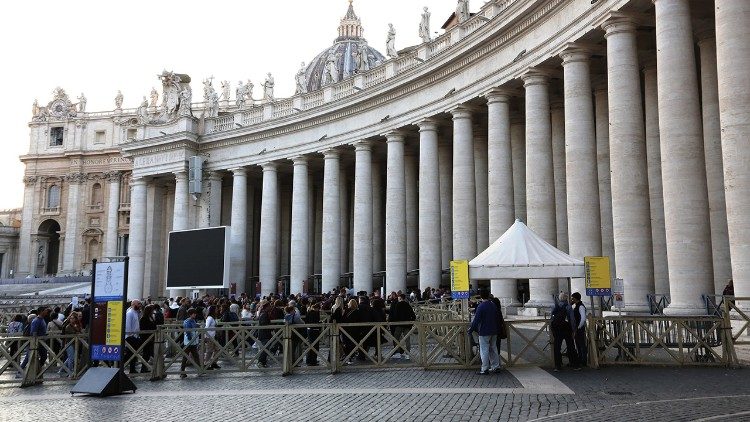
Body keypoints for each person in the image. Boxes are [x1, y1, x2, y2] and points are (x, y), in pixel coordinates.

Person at [468, 290, 500, 375]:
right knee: (494, 348)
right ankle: (496, 366)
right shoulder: (493, 305)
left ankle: (485, 368)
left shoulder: (481, 306)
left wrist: (471, 329)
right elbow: (497, 318)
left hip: (484, 331)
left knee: (484, 350)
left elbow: (476, 320)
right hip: (494, 330)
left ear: (481, 296)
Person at [550, 292, 579, 371]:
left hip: (557, 329)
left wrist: (551, 329)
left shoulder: (555, 306)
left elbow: (551, 318)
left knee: (557, 347)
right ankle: (574, 364)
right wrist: (574, 329)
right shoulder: (568, 307)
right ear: (566, 298)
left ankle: (558, 366)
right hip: (566, 328)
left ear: (559, 298)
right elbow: (572, 319)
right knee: (570, 346)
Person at [389, 293, 416, 359]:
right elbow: (413, 315)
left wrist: (395, 323)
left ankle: (398, 353)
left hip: (399, 325)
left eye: (398, 298)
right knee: (407, 340)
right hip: (407, 325)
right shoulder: (408, 305)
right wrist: (410, 323)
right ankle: (408, 354)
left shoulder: (398, 304)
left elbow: (396, 315)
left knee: (396, 338)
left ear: (400, 298)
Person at [180, 308, 201, 378]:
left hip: (192, 342)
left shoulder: (192, 320)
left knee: (195, 356)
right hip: (189, 342)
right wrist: (190, 338)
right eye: (193, 313)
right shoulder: (188, 321)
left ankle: (200, 370)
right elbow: (188, 331)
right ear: (190, 314)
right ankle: (182, 372)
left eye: (195, 313)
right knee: (186, 357)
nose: (195, 314)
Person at [570, 292, 588, 367]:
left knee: (581, 344)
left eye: (572, 298)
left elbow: (583, 318)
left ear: (575, 298)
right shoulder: (577, 306)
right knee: (578, 344)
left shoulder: (580, 306)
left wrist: (579, 327)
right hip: (577, 328)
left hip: (579, 328)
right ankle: (580, 358)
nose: (571, 300)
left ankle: (583, 360)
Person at [124, 299, 141, 374]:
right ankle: (119, 365)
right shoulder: (130, 313)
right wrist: (130, 335)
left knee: (134, 354)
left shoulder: (135, 313)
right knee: (129, 354)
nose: (140, 305)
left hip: (135, 336)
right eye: (138, 304)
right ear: (134, 304)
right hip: (130, 337)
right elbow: (128, 325)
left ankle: (132, 369)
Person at [139, 304, 156, 373]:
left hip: (152, 338)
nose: (153, 311)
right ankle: (145, 368)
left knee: (148, 354)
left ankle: (144, 368)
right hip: (146, 338)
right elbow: (143, 329)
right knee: (147, 354)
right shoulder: (143, 319)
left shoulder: (151, 317)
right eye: (152, 310)